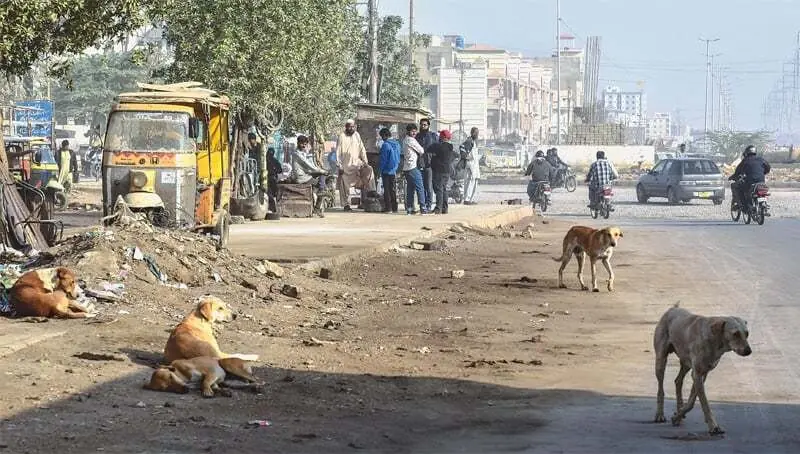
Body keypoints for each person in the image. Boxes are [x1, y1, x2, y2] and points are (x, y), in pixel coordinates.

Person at [335, 119, 375, 211]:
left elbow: (362, 149)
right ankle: (346, 205)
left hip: (357, 164)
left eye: (353, 127)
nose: (352, 128)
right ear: (346, 127)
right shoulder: (341, 136)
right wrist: (339, 165)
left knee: (369, 169)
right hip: (345, 166)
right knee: (344, 184)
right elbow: (338, 152)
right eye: (350, 127)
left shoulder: (357, 135)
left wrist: (365, 161)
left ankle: (371, 192)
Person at [729, 145, 771, 209]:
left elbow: (738, 171)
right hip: (761, 182)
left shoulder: (745, 160)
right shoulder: (761, 159)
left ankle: (743, 206)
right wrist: (763, 172)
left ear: (747, 152)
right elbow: (768, 168)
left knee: (735, 186)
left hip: (750, 183)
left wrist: (733, 177)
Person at [429, 129, 457, 214]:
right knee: (444, 189)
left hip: (439, 171)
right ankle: (445, 208)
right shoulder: (450, 147)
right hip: (447, 171)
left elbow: (429, 148)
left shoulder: (438, 146)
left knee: (439, 189)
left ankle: (438, 208)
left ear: (442, 137)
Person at [401, 123, 428, 215]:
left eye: (415, 131)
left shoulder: (405, 140)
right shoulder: (411, 140)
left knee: (410, 189)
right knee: (420, 187)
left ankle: (409, 209)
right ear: (408, 131)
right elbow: (421, 150)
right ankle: (423, 208)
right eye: (412, 131)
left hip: (406, 168)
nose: (414, 133)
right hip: (412, 167)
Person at [416, 118, 438, 212]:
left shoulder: (433, 136)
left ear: (428, 126)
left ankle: (429, 205)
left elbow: (437, 149)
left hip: (430, 164)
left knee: (429, 186)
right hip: (419, 164)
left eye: (425, 125)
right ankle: (423, 205)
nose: (423, 126)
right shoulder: (417, 136)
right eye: (421, 124)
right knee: (421, 186)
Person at [378, 128, 401, 213]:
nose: (382, 138)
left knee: (387, 189)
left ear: (384, 135)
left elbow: (383, 159)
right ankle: (395, 207)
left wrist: (380, 170)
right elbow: (398, 157)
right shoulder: (397, 144)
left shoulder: (385, 145)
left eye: (382, 136)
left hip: (386, 170)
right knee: (392, 189)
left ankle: (388, 208)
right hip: (394, 169)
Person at [460, 127, 481, 205]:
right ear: (472, 133)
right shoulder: (469, 141)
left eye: (477, 132)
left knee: (474, 182)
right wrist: (465, 157)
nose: (477, 134)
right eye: (476, 132)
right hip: (470, 165)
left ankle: (471, 199)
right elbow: (462, 148)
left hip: (475, 165)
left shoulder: (475, 141)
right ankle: (466, 199)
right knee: (469, 182)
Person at [266, 147, 282, 213]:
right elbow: (280, 170)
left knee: (272, 194)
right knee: (271, 194)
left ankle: (272, 208)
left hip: (271, 179)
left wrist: (275, 170)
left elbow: (280, 170)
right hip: (268, 179)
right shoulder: (266, 160)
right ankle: (272, 208)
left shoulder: (274, 161)